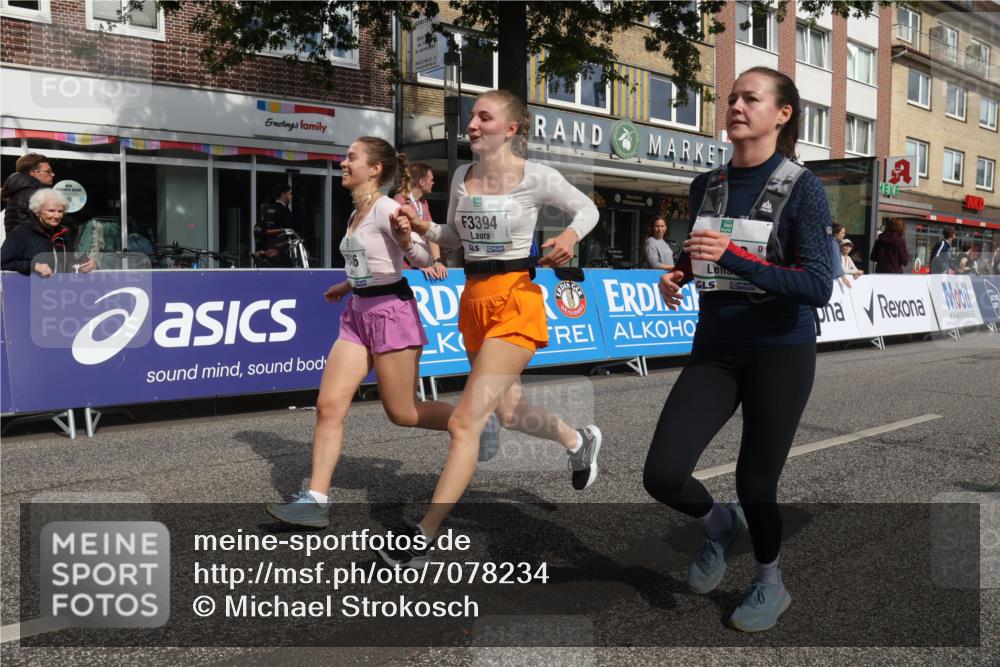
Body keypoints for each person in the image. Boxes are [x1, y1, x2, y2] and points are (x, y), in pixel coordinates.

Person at [381, 89, 603, 568]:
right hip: (474, 303)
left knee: (466, 422)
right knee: (511, 413)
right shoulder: (462, 175)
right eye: (471, 117)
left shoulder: (536, 176)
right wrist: (417, 231)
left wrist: (567, 235)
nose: (473, 125)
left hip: (517, 303)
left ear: (513, 128)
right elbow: (455, 238)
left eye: (485, 117)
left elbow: (589, 210)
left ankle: (422, 536)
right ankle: (577, 440)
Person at [647, 67, 833, 632]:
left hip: (781, 350)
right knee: (663, 474)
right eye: (731, 97)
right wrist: (679, 272)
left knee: (757, 483)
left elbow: (817, 286)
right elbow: (703, 249)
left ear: (782, 115)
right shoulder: (707, 184)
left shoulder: (804, 187)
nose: (736, 105)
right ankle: (717, 525)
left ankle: (769, 582)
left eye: (750, 98)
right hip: (717, 348)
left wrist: (735, 258)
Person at [265, 137, 497, 529]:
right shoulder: (357, 212)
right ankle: (316, 500)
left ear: (374, 169)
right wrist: (348, 285)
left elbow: (423, 259)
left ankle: (471, 421)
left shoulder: (388, 207)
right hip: (357, 313)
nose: (342, 163)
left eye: (350, 158)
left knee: (403, 413)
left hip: (391, 314)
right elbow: (369, 263)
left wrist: (408, 239)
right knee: (329, 405)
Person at [1, 188, 96, 276]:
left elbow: (68, 266)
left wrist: (84, 266)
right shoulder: (23, 232)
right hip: (30, 290)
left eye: (60, 211)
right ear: (38, 211)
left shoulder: (64, 233)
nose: (57, 216)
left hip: (57, 290)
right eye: (51, 211)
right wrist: (33, 266)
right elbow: (2, 262)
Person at [394, 163, 447, 280]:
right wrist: (418, 263)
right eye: (431, 180)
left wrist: (437, 261)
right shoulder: (400, 201)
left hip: (420, 266)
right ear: (422, 182)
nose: (434, 183)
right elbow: (398, 237)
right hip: (405, 271)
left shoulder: (423, 203)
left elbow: (431, 232)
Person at [2, 153, 55, 234]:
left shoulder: (18, 192)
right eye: (48, 171)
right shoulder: (34, 194)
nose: (53, 174)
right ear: (33, 173)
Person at [254, 184, 294, 267]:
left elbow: (264, 230)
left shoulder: (269, 209)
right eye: (289, 193)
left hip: (270, 250)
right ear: (283, 194)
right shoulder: (284, 210)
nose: (291, 196)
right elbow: (289, 231)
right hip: (282, 251)